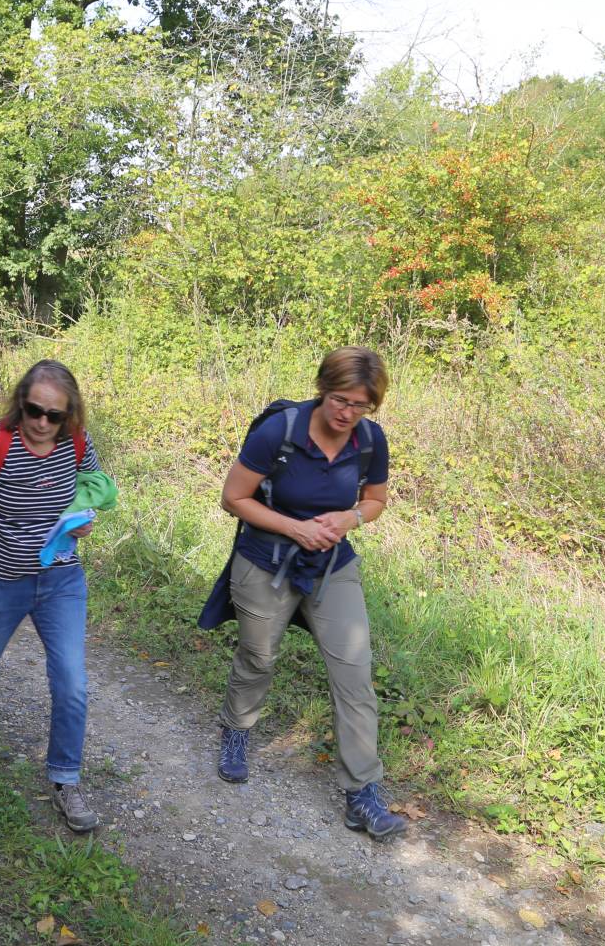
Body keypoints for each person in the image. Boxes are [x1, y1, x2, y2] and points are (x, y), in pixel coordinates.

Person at [212, 347, 404, 841]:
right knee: (258, 657)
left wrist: (350, 518)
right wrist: (297, 530)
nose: (347, 413)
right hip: (265, 561)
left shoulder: (369, 440)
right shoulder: (281, 431)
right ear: (322, 389)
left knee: (354, 674)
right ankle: (236, 730)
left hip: (332, 566)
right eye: (340, 400)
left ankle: (362, 793)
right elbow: (233, 497)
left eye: (361, 405)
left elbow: (376, 500)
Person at [0, 360, 103, 833]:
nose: (42, 423)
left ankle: (65, 780)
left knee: (72, 681)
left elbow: (91, 493)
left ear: (69, 415)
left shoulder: (76, 443)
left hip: (59, 580)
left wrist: (86, 517)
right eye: (35, 410)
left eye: (55, 415)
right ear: (21, 403)